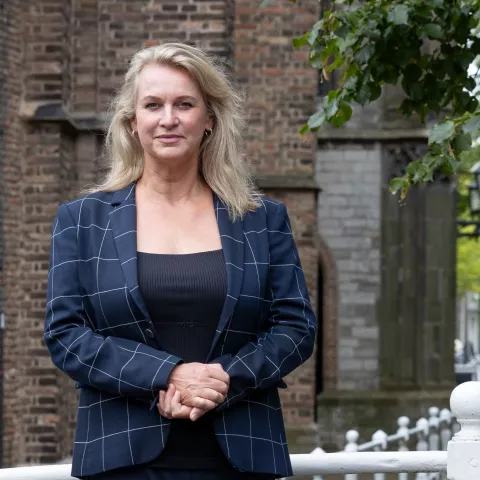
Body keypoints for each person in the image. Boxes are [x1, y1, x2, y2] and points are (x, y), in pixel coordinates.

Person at [44, 42, 317, 480]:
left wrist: (224, 380)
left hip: (242, 456)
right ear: (132, 122)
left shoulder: (262, 219)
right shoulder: (82, 221)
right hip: (120, 458)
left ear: (209, 119)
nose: (168, 118)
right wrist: (167, 375)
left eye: (184, 104)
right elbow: (65, 335)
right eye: (153, 105)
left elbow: (296, 327)